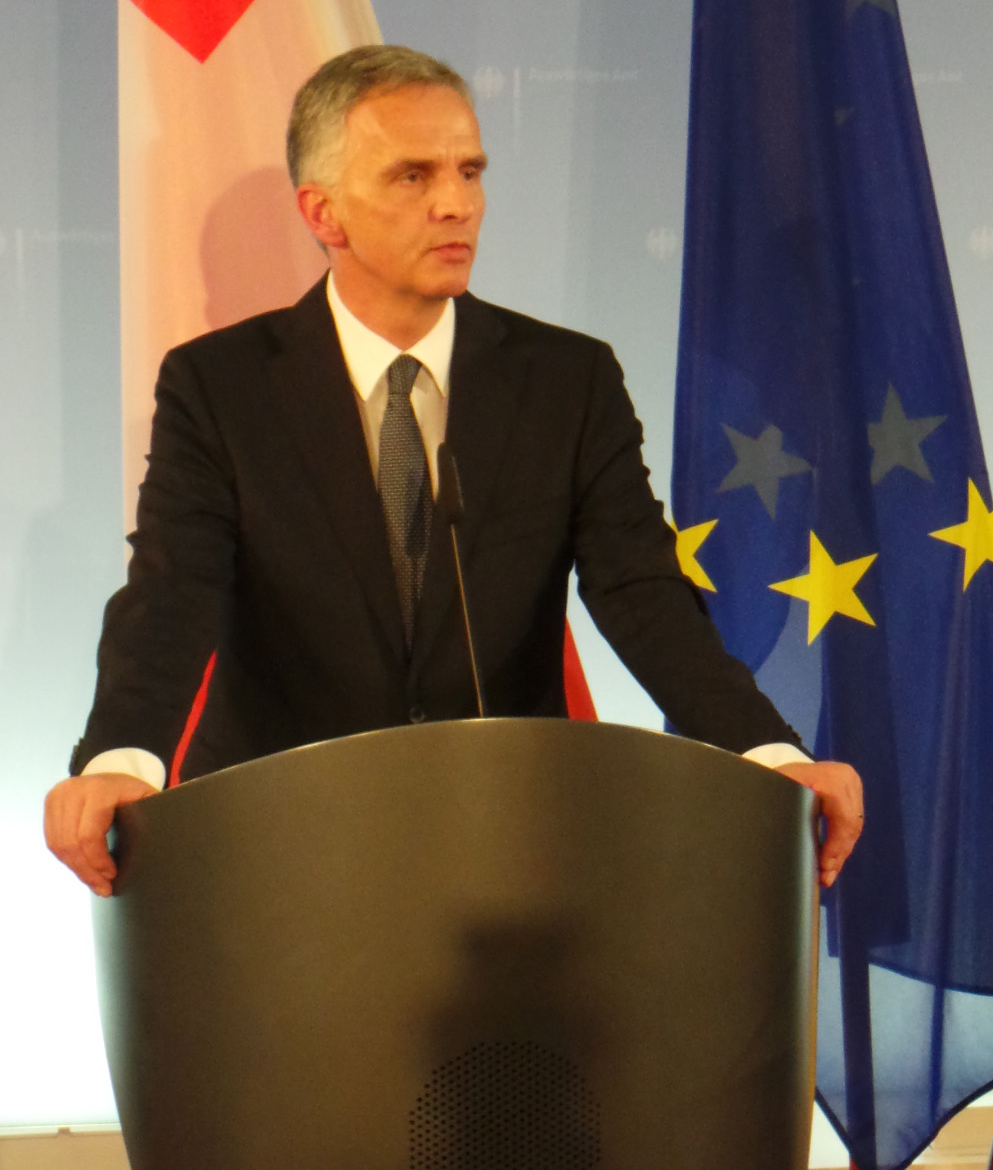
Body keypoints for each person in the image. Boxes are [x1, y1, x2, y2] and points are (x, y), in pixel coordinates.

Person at [44, 45, 863, 896]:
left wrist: (766, 751)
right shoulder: (221, 387)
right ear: (323, 213)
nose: (455, 204)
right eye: (413, 176)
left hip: (505, 850)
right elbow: (174, 593)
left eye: (470, 172)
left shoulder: (566, 380)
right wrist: (121, 756)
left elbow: (643, 594)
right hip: (284, 855)